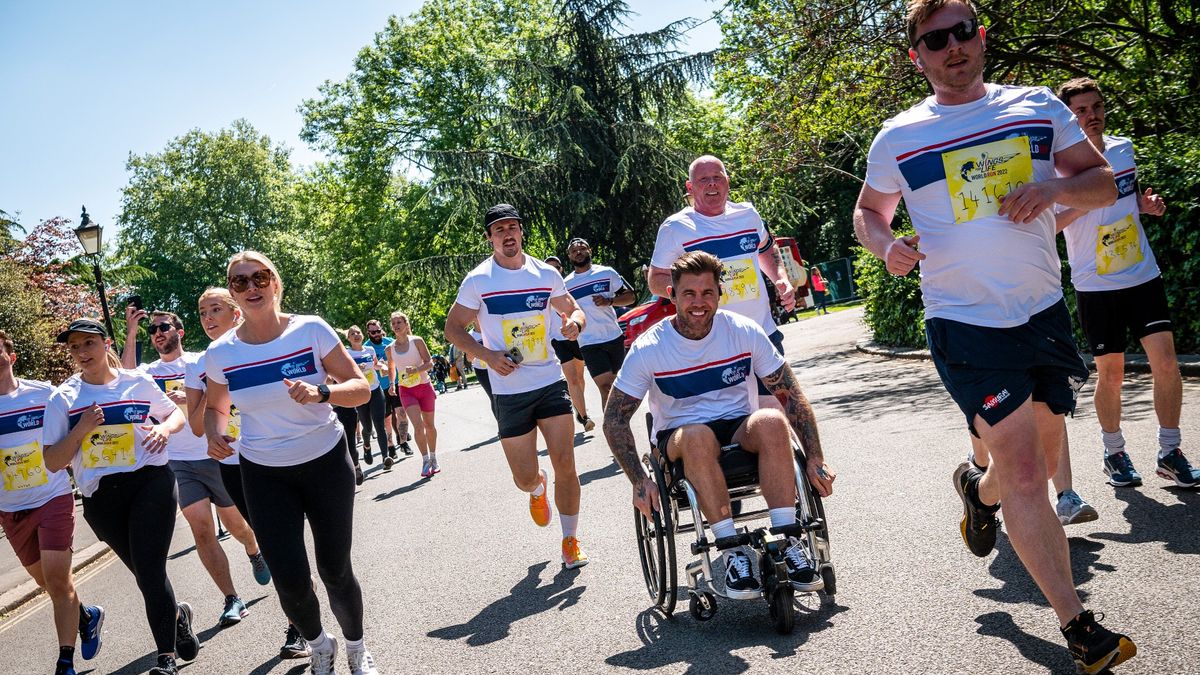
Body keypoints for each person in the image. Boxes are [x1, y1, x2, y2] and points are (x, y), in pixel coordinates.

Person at [851, 1, 1134, 671]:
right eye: (934, 39)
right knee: (1027, 466)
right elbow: (868, 211)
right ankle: (1078, 625)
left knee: (1028, 453)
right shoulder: (898, 137)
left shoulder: (1036, 107)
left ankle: (978, 497)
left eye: (962, 32)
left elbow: (1101, 182)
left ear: (981, 37)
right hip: (963, 320)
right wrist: (885, 244)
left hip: (1040, 312)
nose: (952, 46)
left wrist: (1047, 185)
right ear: (916, 55)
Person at [603, 252, 835, 596]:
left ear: (720, 294)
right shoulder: (649, 347)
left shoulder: (742, 331)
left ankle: (789, 540)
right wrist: (639, 481)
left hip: (738, 426)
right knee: (697, 436)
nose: (699, 302)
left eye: (707, 293)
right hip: (680, 436)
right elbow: (614, 420)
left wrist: (815, 457)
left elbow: (791, 395)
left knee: (772, 418)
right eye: (689, 294)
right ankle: (732, 550)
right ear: (672, 294)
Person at [203, 251, 377, 675]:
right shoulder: (220, 353)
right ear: (234, 295)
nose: (251, 288)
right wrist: (214, 433)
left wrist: (323, 394)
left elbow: (361, 388)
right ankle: (320, 644)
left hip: (324, 461)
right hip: (262, 473)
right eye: (240, 282)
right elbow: (215, 408)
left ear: (275, 283)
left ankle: (357, 648)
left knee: (335, 570)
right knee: (290, 581)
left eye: (259, 278)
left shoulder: (310, 330)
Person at [1055, 76, 1196, 490]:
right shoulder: (1057, 167)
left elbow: (1126, 198)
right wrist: (1087, 200)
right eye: (1081, 110)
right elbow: (1053, 224)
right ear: (1067, 116)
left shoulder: (1122, 149)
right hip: (1095, 285)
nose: (1091, 116)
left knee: (1167, 364)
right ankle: (1114, 452)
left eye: (1096, 106)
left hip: (1141, 274)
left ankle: (1170, 452)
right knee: (1111, 373)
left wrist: (1144, 205)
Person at [43, 319, 200, 675]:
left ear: (106, 343)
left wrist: (162, 427)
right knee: (146, 576)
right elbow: (53, 461)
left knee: (149, 568)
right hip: (102, 498)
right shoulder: (63, 398)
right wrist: (81, 428)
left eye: (88, 344)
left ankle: (166, 658)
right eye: (74, 347)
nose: (82, 352)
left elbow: (174, 413)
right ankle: (177, 616)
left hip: (151, 481)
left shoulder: (136, 381)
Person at [445, 204, 591, 569]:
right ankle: (537, 488)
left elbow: (573, 309)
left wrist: (575, 322)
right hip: (509, 391)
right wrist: (488, 356)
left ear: (521, 231)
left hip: (548, 380)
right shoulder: (479, 281)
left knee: (567, 465)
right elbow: (453, 330)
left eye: (513, 227)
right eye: (499, 230)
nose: (508, 234)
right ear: (490, 238)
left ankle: (570, 540)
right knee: (523, 477)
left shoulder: (544, 273)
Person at [184, 287, 310, 659]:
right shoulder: (199, 365)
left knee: (285, 546)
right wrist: (214, 386)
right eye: (203, 312)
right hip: (234, 467)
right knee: (273, 545)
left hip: (275, 457)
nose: (208, 318)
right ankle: (301, 620)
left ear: (236, 312)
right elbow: (195, 427)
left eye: (216, 309)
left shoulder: (260, 347)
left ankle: (298, 627)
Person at [121, 307, 262, 628]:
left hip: (216, 454)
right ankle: (231, 598)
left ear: (180, 332)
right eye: (153, 329)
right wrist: (131, 332)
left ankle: (254, 549)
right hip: (178, 462)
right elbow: (123, 377)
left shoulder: (200, 361)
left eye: (164, 327)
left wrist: (192, 399)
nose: (157, 333)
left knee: (238, 526)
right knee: (201, 530)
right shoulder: (148, 372)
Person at [648, 154, 797, 408]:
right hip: (712, 342)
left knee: (782, 412)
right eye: (703, 179)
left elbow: (766, 250)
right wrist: (692, 297)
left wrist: (781, 278)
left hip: (762, 334)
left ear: (727, 181)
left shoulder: (747, 215)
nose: (712, 184)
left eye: (717, 177)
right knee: (733, 421)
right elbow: (656, 279)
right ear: (690, 187)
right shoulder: (676, 227)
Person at [0, 329, 105, 675]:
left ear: (11, 357)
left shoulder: (44, 394)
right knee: (46, 582)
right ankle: (87, 616)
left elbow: (82, 412)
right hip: (11, 510)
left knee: (58, 582)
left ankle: (65, 662)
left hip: (52, 497)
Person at [563, 237, 637, 411]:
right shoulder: (566, 285)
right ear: (569, 256)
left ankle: (621, 422)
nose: (578, 252)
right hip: (589, 342)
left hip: (613, 337)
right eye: (574, 251)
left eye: (582, 248)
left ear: (590, 251)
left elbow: (631, 297)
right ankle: (612, 428)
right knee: (606, 388)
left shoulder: (606, 273)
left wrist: (609, 301)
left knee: (620, 388)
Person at [386, 312, 440, 477]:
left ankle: (433, 458)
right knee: (418, 426)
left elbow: (429, 363)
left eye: (399, 322)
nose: (396, 325)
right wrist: (391, 384)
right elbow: (391, 367)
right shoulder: (390, 349)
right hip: (406, 390)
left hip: (424, 387)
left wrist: (416, 370)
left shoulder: (416, 341)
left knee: (429, 425)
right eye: (393, 323)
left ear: (406, 323)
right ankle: (425, 461)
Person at [544, 255, 595, 431]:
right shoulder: (540, 292)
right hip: (557, 339)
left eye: (556, 267)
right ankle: (584, 417)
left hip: (576, 337)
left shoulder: (568, 286)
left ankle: (578, 406)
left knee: (580, 378)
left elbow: (579, 310)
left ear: (561, 270)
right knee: (572, 378)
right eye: (548, 268)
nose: (553, 271)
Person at [366, 318, 413, 460]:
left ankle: (403, 442)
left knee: (402, 413)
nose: (376, 334)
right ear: (368, 332)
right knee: (386, 419)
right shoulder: (367, 348)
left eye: (378, 331)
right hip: (379, 388)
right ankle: (391, 446)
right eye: (373, 332)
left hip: (396, 383)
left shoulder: (390, 343)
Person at [346, 325, 392, 468]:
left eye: (358, 332)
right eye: (352, 334)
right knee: (367, 427)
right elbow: (345, 373)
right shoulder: (347, 353)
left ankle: (386, 457)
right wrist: (355, 370)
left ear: (362, 335)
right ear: (348, 338)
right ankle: (367, 446)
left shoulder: (370, 350)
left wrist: (382, 367)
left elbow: (376, 365)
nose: (356, 335)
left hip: (375, 389)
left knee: (380, 424)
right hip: (360, 392)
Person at [469, 324, 497, 420]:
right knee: (493, 397)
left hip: (495, 367)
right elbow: (469, 359)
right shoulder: (470, 335)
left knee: (501, 395)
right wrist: (474, 351)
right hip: (482, 371)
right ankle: (501, 426)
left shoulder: (490, 329)